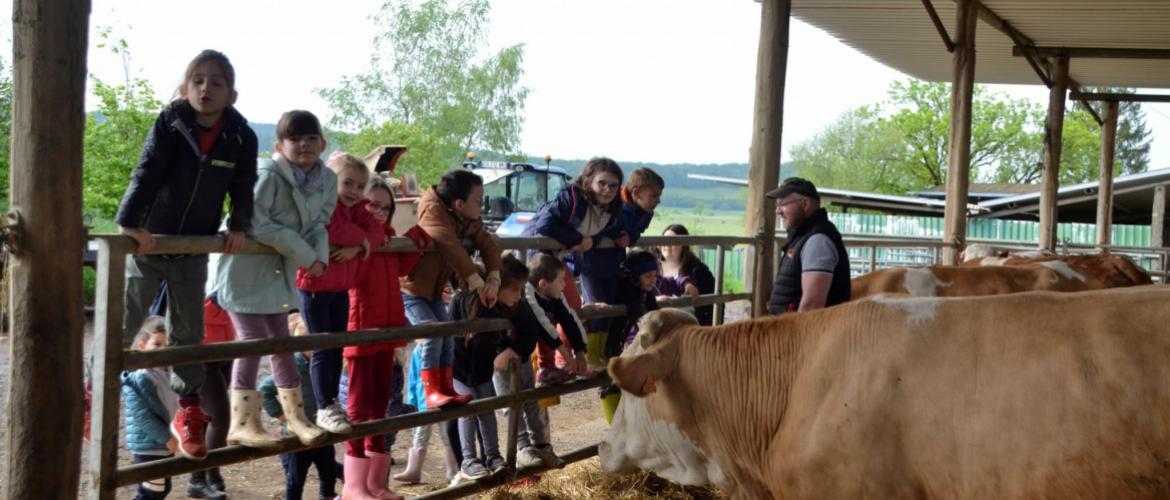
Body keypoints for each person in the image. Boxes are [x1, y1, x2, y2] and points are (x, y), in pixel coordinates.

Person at [114, 49, 258, 460]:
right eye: (197, 80)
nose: (205, 88)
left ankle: (189, 413)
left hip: (195, 244)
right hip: (152, 239)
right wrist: (130, 222)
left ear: (231, 94)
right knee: (125, 321)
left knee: (188, 333)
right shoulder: (170, 123)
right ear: (184, 88)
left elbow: (242, 185)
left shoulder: (241, 136)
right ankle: (94, 392)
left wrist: (239, 226)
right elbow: (146, 170)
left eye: (216, 82)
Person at [214, 109, 332, 449]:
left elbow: (318, 224)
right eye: (295, 139)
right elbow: (255, 221)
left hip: (279, 268)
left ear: (322, 143)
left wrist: (319, 258)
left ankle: (295, 416)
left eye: (311, 137)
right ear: (280, 146)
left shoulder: (324, 179)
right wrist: (308, 256)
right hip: (244, 267)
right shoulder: (267, 175)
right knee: (252, 341)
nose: (304, 144)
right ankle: (242, 422)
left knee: (281, 341)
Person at [341, 169, 429, 500]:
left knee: (380, 405)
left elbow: (402, 268)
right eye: (373, 206)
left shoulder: (387, 240)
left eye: (385, 208)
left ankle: (376, 484)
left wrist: (418, 238)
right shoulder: (358, 239)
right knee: (358, 405)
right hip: (361, 328)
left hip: (387, 328)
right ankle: (353, 486)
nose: (379, 213)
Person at [296, 152, 384, 436]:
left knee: (338, 347)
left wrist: (357, 246)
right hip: (314, 285)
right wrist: (360, 240)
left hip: (340, 286)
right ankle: (324, 405)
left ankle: (331, 402)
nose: (355, 192)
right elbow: (329, 228)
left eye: (360, 186)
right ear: (329, 181)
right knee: (323, 346)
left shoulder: (356, 209)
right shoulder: (323, 204)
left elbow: (376, 230)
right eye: (348, 184)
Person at [401, 169, 502, 409]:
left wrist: (494, 278)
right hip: (411, 290)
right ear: (459, 203)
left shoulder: (463, 217)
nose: (482, 206)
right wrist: (479, 284)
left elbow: (486, 242)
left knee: (448, 334)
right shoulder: (434, 212)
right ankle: (431, 391)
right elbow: (450, 245)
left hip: (433, 291)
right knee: (433, 333)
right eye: (478, 201)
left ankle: (445, 387)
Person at [521, 157, 624, 384]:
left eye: (613, 185)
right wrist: (581, 240)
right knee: (545, 308)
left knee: (571, 307)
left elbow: (603, 231)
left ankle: (564, 362)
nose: (607, 189)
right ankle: (548, 367)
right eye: (602, 183)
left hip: (557, 257)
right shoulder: (571, 197)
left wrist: (593, 241)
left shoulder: (610, 209)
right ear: (588, 181)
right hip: (539, 255)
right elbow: (544, 225)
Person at [481, 255, 573, 470]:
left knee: (531, 400)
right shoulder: (488, 306)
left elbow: (531, 331)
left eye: (521, 290)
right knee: (510, 404)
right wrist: (499, 355)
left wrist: (511, 351)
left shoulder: (519, 305)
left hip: (519, 359)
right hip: (500, 365)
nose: (519, 295)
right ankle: (523, 447)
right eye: (514, 290)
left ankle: (542, 446)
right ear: (497, 287)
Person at [260, 313, 342, 500]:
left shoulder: (323, 365)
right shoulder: (292, 367)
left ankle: (327, 496)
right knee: (296, 478)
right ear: (304, 347)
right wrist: (282, 415)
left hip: (321, 429)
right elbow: (264, 389)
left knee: (328, 472)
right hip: (297, 435)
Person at [765, 177, 851, 314]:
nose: (778, 211)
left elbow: (811, 307)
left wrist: (793, 335)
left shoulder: (818, 240)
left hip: (804, 333)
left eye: (782, 204)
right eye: (777, 205)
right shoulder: (804, 236)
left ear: (805, 204)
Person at [597, 250, 661, 424]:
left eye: (654, 275)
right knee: (609, 382)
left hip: (622, 343)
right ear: (634, 275)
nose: (652, 280)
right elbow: (640, 317)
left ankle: (631, 424)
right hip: (611, 343)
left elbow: (654, 313)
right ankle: (616, 425)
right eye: (647, 275)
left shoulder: (643, 291)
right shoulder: (625, 290)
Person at [121, 317, 178, 500]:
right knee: (151, 492)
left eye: (168, 345)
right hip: (149, 444)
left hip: (163, 443)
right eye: (157, 344)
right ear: (143, 346)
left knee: (161, 489)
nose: (164, 349)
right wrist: (166, 437)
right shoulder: (140, 378)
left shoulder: (169, 373)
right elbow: (142, 416)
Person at [654, 224, 717, 326]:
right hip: (657, 325)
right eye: (664, 240)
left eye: (673, 241)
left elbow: (713, 304)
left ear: (684, 245)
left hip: (689, 328)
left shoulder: (698, 271)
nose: (667, 244)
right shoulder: (651, 267)